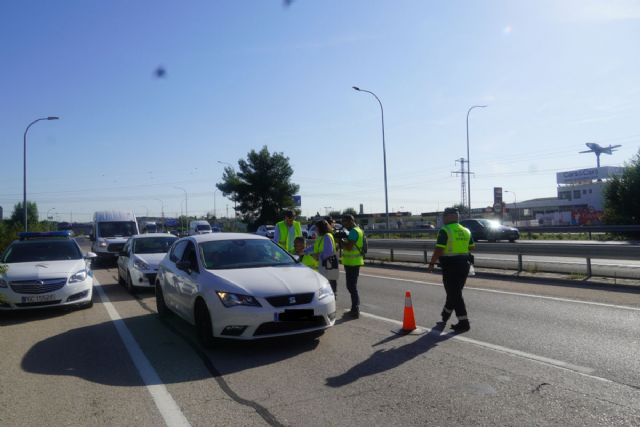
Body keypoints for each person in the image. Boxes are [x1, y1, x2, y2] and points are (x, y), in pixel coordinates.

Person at [427, 207, 475, 332]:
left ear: (449, 217)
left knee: (454, 293)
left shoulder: (445, 230)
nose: (443, 218)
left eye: (444, 216)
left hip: (450, 265)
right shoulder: (466, 230)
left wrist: (432, 263)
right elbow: (472, 247)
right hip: (465, 264)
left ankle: (464, 322)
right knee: (455, 292)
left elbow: (439, 249)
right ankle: (445, 315)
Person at [340, 214, 365, 318]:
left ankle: (355, 309)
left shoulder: (354, 231)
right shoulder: (358, 230)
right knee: (351, 286)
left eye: (345, 222)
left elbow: (349, 247)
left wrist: (340, 241)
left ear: (350, 221)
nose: (344, 224)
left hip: (352, 263)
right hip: (352, 262)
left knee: (351, 286)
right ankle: (354, 308)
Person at [307, 220, 339, 294]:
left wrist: (318, 255)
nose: (315, 230)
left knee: (329, 286)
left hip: (328, 264)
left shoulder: (327, 236)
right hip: (326, 264)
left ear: (320, 228)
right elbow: (314, 246)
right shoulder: (321, 237)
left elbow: (328, 252)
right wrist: (305, 251)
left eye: (316, 228)